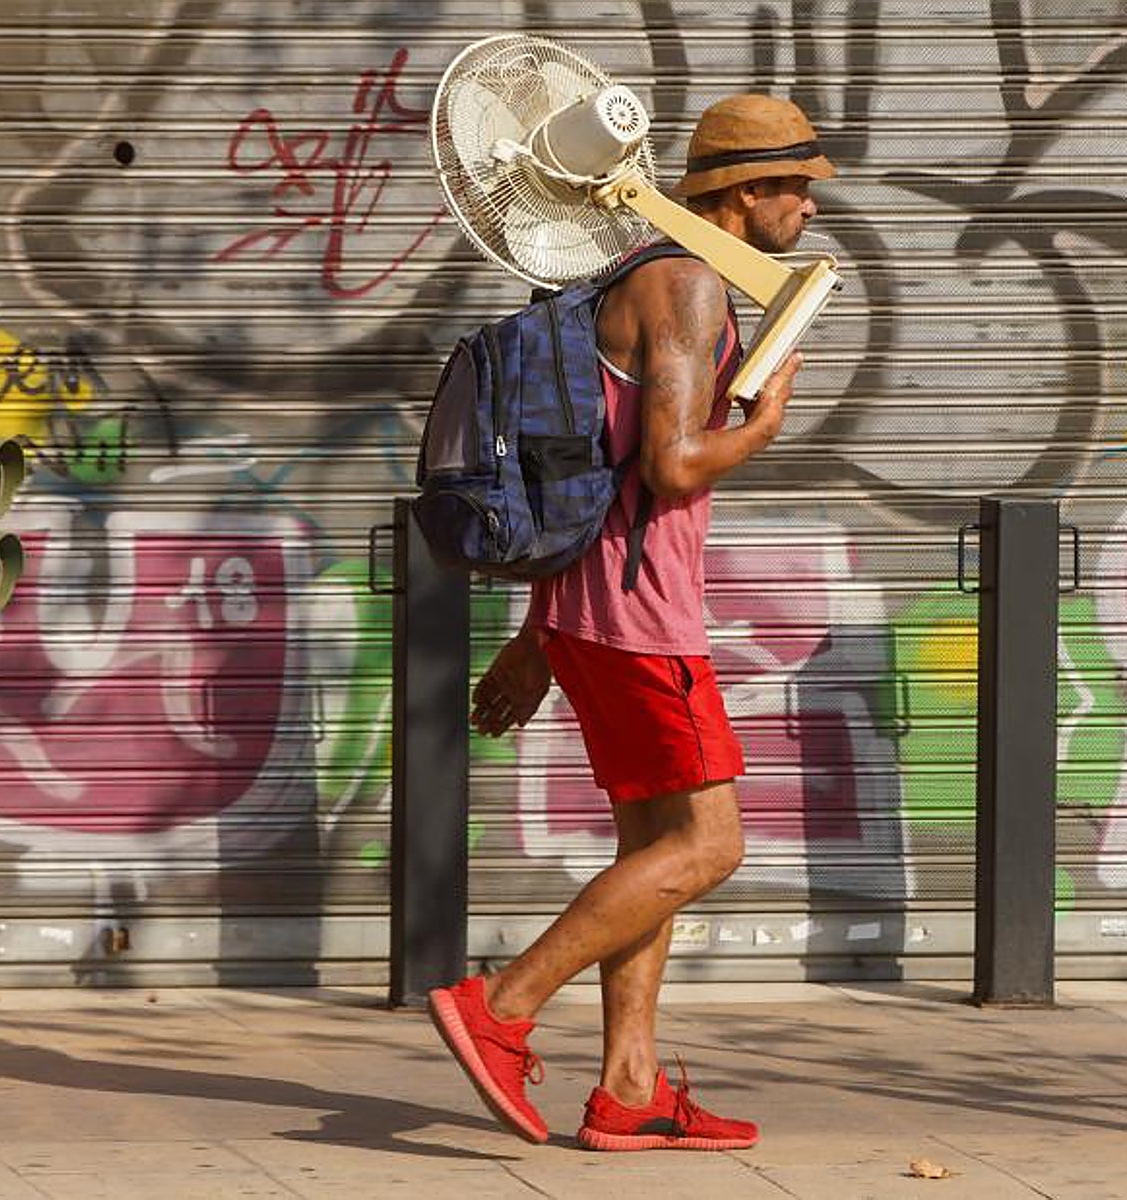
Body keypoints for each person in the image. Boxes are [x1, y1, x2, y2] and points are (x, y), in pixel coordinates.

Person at [428, 93, 836, 1151]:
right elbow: (667, 463)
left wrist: (537, 637)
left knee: (650, 842)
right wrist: (765, 426)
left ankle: (630, 1087)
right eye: (796, 187)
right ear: (746, 194)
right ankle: (501, 1008)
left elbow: (591, 464)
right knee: (707, 844)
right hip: (643, 613)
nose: (807, 208)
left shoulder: (643, 269)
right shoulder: (690, 285)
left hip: (589, 607)